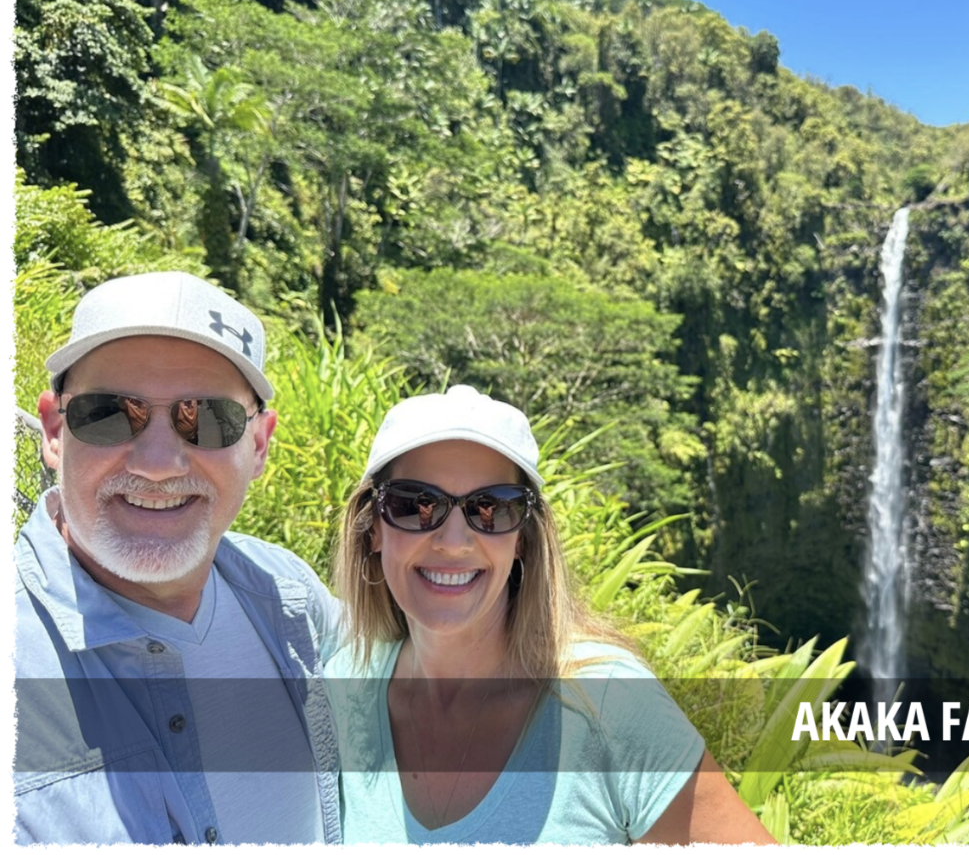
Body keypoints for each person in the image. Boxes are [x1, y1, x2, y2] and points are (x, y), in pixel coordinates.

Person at [326, 384, 776, 845]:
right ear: (372, 527)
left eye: (492, 508)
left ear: (522, 537)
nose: (453, 541)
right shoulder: (338, 696)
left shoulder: (608, 704)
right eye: (416, 505)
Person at [14, 271, 341, 845]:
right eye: (111, 413)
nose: (159, 463)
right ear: (54, 430)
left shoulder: (290, 597)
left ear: (258, 445)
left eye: (208, 419)